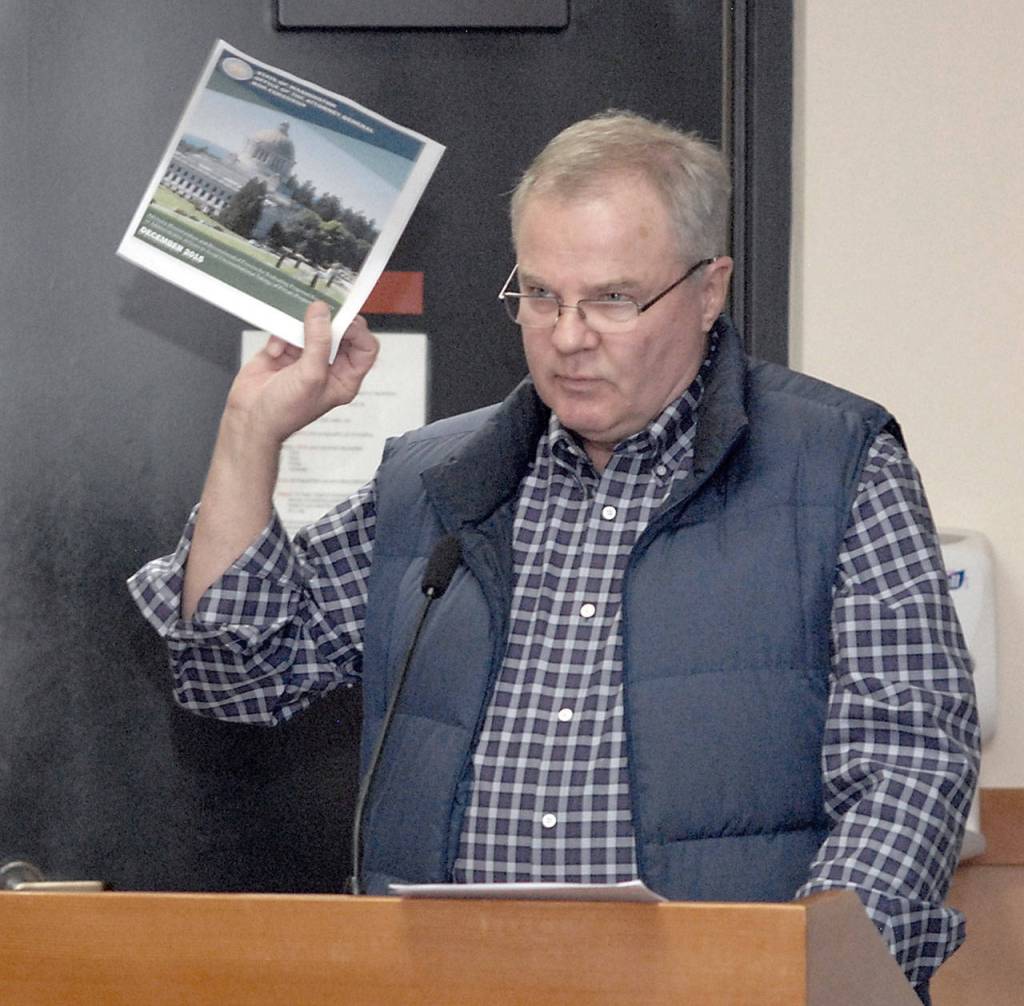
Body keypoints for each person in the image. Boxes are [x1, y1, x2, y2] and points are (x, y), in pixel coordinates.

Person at [130, 111, 978, 1003]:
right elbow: (236, 674)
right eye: (540, 296)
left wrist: (805, 984)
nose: (568, 336)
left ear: (709, 289)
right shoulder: (439, 481)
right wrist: (248, 433)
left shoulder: (836, 464)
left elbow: (910, 765)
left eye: (614, 298)